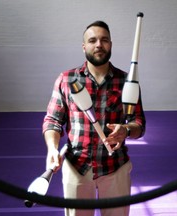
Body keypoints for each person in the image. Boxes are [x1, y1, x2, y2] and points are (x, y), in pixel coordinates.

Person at [42, 20, 146, 216]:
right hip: (77, 167)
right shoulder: (66, 79)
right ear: (84, 47)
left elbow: (139, 123)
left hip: (116, 167)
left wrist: (126, 130)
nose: (99, 44)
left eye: (104, 40)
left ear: (111, 45)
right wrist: (52, 149)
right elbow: (53, 120)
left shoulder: (127, 82)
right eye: (92, 40)